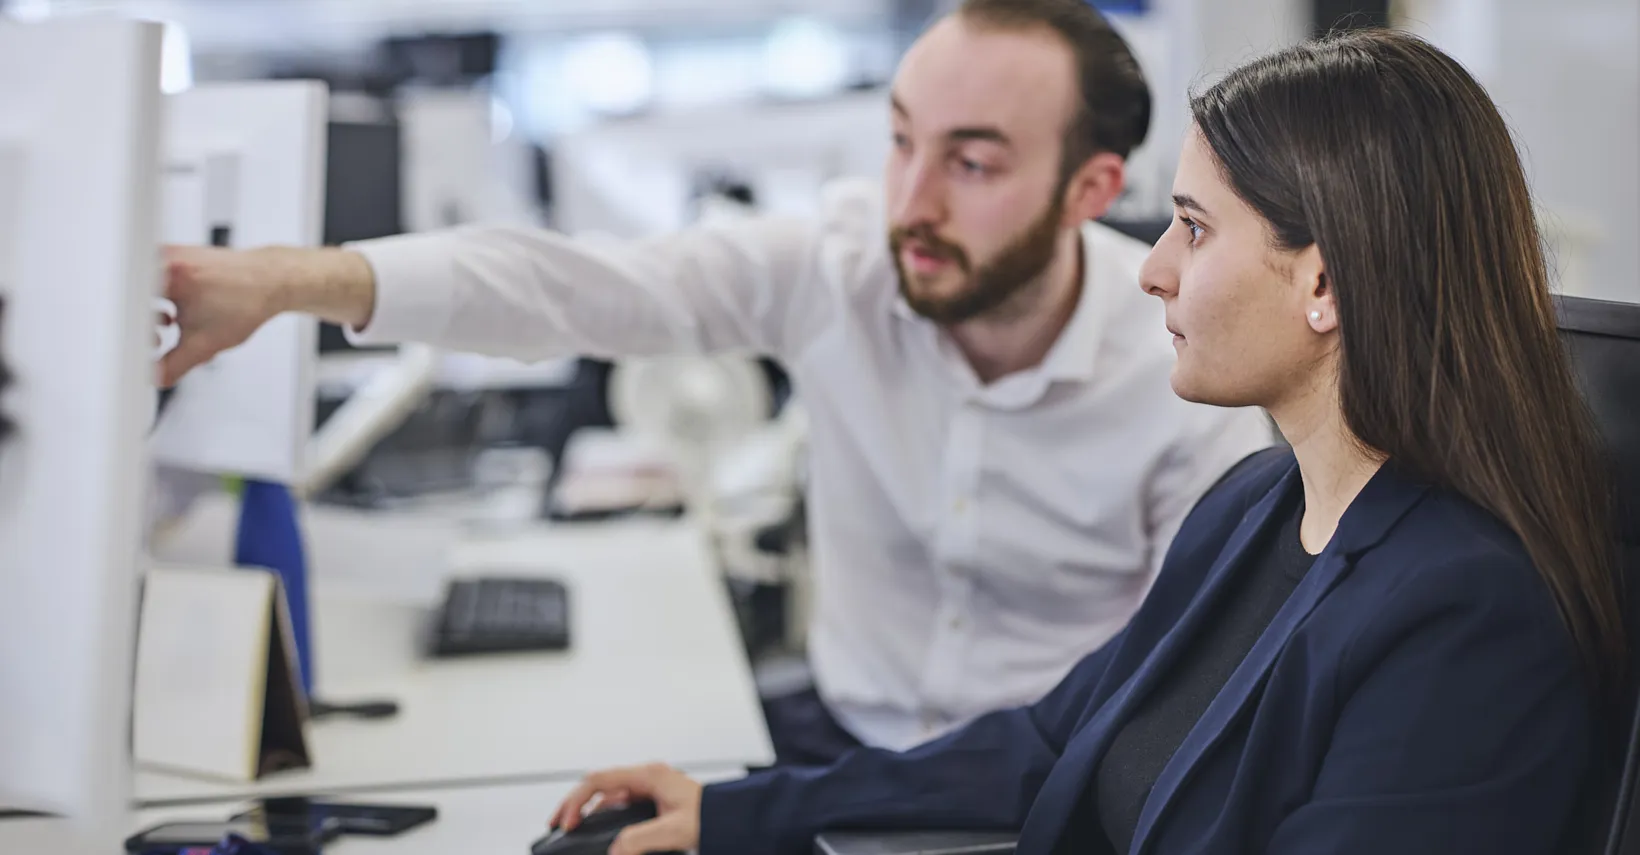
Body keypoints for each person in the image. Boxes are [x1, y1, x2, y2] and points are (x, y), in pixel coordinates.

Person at [546, 28, 1625, 855]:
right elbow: (1051, 743)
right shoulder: (1254, 508)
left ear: (1323, 281)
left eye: (1192, 228)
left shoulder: (1463, 620)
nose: (1149, 268)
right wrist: (729, 814)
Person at [156, 0, 1272, 765]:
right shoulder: (841, 266)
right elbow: (580, 289)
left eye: (970, 163)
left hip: (1052, 780)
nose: (909, 201)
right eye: (898, 143)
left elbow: (1171, 704)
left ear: (1091, 188)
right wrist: (277, 282)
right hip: (845, 731)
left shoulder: (1182, 372)